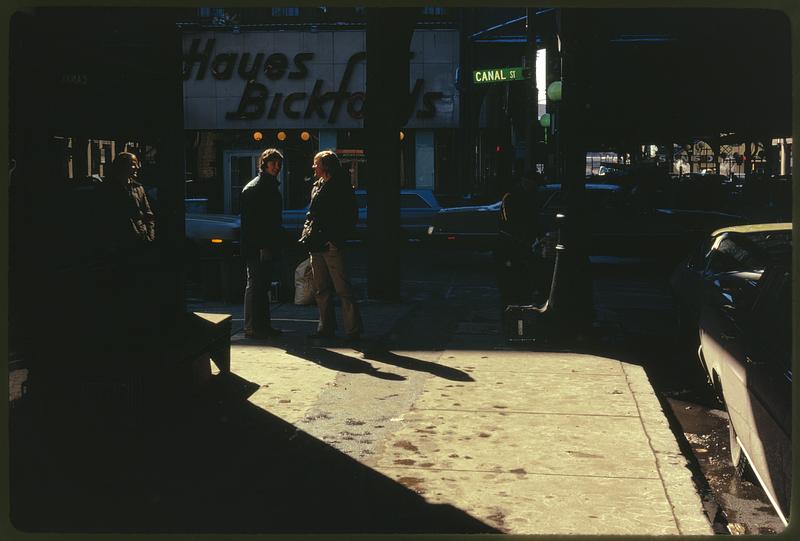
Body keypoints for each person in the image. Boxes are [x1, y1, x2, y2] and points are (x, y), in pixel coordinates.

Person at [299, 150, 363, 342]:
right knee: (321, 289)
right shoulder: (318, 185)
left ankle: (353, 330)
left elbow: (350, 217)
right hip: (317, 244)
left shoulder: (341, 186)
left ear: (325, 166)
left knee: (342, 288)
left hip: (331, 244)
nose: (313, 168)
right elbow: (313, 215)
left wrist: (336, 240)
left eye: (316, 164)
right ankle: (326, 327)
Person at [240, 148, 286, 339]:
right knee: (256, 285)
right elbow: (253, 224)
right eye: (273, 163)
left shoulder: (265, 187)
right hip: (258, 246)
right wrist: (262, 246)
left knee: (262, 286)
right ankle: (252, 326)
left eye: (279, 164)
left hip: (264, 245)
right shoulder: (256, 188)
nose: (277, 167)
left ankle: (262, 325)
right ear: (264, 164)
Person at [494, 171, 545, 306]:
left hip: (517, 240)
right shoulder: (515, 196)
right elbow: (511, 221)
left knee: (517, 274)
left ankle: (516, 299)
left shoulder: (515, 195)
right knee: (515, 273)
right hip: (513, 241)